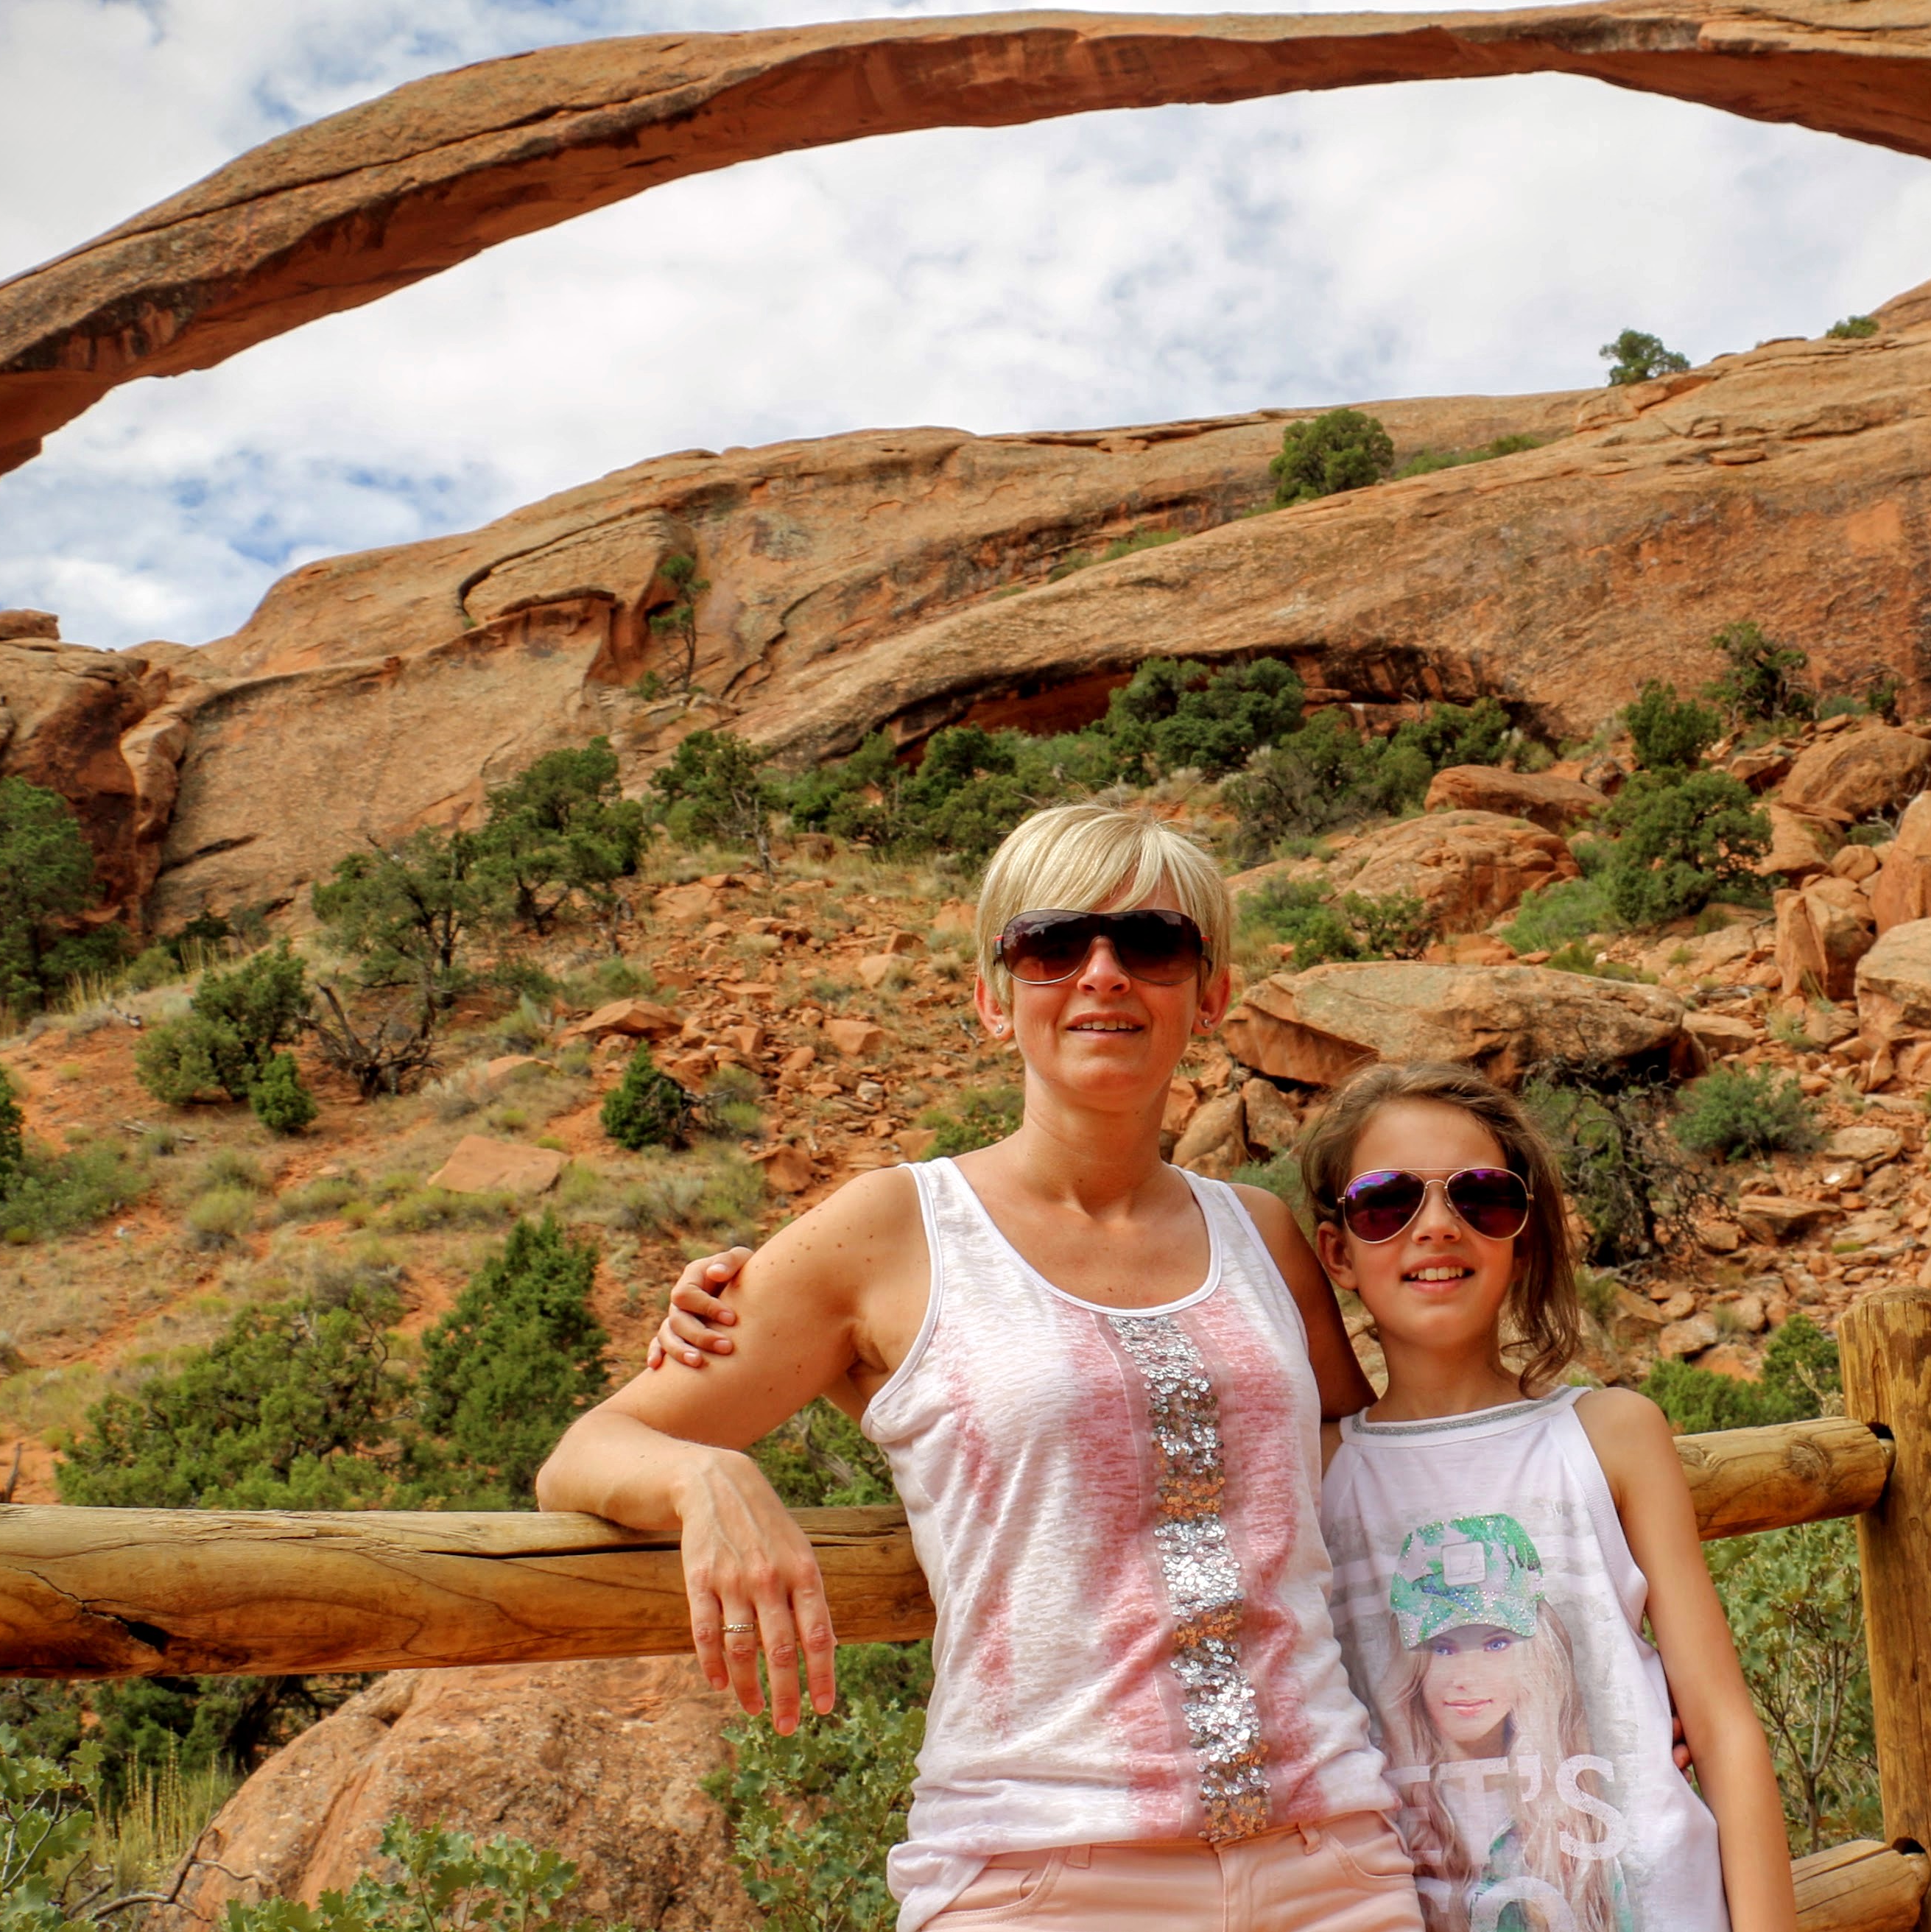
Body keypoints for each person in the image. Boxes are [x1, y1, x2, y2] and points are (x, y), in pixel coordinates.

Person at [537, 801, 1418, 1932]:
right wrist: (710, 1480)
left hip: (1331, 1861)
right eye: (1051, 945)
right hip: (1039, 1870)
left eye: (1149, 943)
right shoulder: (895, 1228)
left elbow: (1360, 1464)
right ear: (993, 996)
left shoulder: (1263, 1233)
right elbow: (590, 1450)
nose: (1101, 974)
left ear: (1209, 992)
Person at [1300, 1062, 1795, 1932]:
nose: (1437, 1227)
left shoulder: (1609, 1434)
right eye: (1388, 1203)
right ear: (1336, 1249)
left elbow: (1720, 1724)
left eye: (1481, 1197)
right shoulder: (1321, 1467)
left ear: (1521, 1234)